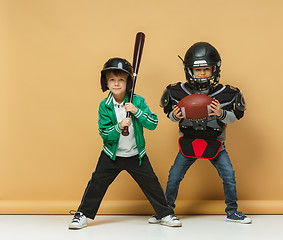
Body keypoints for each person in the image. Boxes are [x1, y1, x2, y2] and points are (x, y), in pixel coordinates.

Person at [69, 57, 181, 229]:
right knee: (97, 183)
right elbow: (104, 133)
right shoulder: (104, 106)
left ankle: (164, 214)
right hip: (111, 154)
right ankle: (82, 214)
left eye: (121, 79)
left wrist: (136, 112)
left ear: (128, 82)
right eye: (112, 79)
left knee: (151, 183)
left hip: (136, 154)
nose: (116, 83)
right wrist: (119, 126)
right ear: (106, 83)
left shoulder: (137, 101)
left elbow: (153, 123)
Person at [150, 42, 251, 224]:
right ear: (189, 71)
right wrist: (176, 114)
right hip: (188, 141)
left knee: (229, 175)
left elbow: (233, 118)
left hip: (216, 144)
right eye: (198, 70)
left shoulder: (227, 94)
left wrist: (220, 112)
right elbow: (171, 117)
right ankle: (166, 210)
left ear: (215, 69)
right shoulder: (177, 91)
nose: (202, 73)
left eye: (206, 69)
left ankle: (232, 211)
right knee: (174, 176)